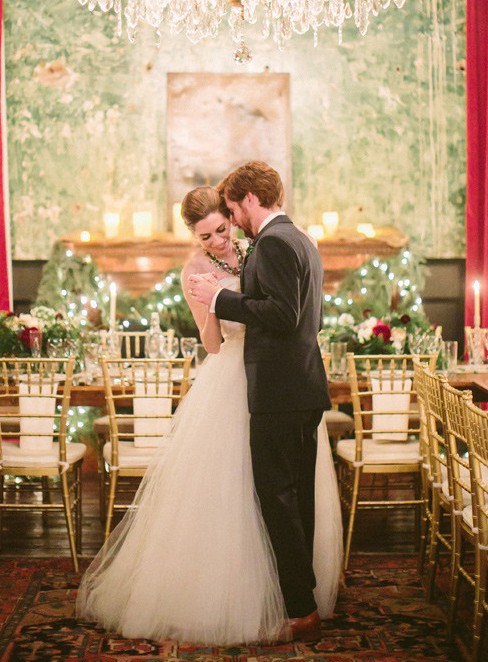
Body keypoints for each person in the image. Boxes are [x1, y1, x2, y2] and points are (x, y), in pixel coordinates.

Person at [76, 185, 342, 646]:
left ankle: (298, 592)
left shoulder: (260, 247)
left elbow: (283, 310)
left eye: (222, 229)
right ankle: (252, 593)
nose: (218, 241)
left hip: (275, 382)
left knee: (283, 491)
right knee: (237, 492)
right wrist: (209, 307)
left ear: (233, 217)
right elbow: (214, 343)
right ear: (193, 239)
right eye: (206, 237)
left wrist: (225, 295)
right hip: (232, 379)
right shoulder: (195, 270)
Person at [188, 161, 334, 638]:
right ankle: (303, 595)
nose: (233, 220)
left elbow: (284, 315)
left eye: (232, 210)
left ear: (250, 200)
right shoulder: (300, 239)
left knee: (277, 499)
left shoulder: (271, 241)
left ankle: (299, 609)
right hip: (300, 386)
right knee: (296, 499)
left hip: (279, 391)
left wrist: (219, 298)